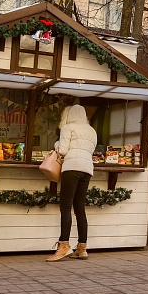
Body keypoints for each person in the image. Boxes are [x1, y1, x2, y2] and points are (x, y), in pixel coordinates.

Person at [48, 104, 98, 262]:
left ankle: (64, 246)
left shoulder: (68, 127)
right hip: (87, 168)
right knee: (80, 208)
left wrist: (56, 144)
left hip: (72, 166)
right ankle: (82, 248)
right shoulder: (91, 130)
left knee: (66, 206)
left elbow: (62, 150)